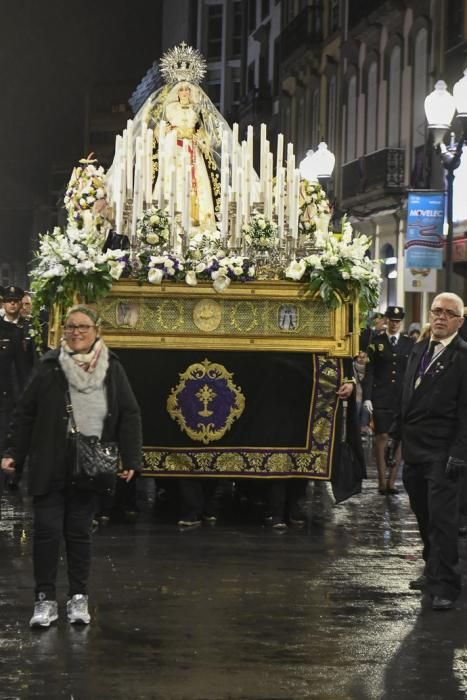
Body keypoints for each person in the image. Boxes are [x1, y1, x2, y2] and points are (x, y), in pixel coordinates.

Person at [1, 304, 142, 628]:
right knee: (47, 532)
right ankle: (44, 599)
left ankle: (78, 597)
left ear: (97, 331)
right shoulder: (49, 365)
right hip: (49, 462)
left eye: (83, 327)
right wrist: (13, 453)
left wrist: (131, 457)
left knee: (79, 533)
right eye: (70, 327)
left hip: (88, 464)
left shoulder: (111, 368)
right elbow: (25, 412)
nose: (76, 332)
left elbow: (129, 412)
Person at [387, 293, 467, 611]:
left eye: (449, 313)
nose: (440, 317)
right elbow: (405, 394)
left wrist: (460, 452)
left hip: (443, 452)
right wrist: (395, 434)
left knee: (443, 521)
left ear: (460, 321)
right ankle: (432, 568)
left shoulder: (462, 357)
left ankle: (446, 584)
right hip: (414, 448)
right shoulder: (419, 349)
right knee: (422, 514)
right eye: (436, 311)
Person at [362, 306, 413, 495]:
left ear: (401, 323)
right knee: (381, 437)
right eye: (391, 320)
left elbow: (412, 371)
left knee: (399, 438)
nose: (394, 324)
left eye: (397, 321)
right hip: (381, 396)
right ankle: (381, 482)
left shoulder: (409, 343)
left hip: (400, 397)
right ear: (387, 321)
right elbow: (370, 371)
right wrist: (367, 397)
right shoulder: (376, 342)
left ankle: (392, 482)